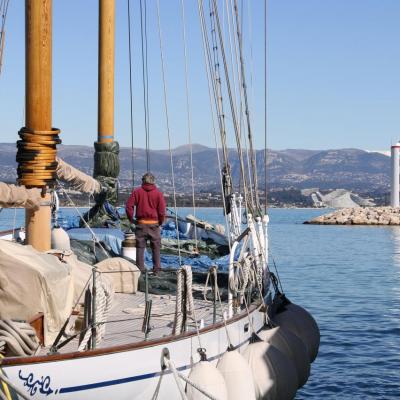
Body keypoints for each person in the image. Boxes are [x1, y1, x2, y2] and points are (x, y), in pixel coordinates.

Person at [125, 173, 166, 274]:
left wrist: (131, 219)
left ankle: (140, 270)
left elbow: (129, 207)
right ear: (153, 181)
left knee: (140, 248)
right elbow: (162, 211)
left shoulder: (137, 192)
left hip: (141, 224)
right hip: (154, 225)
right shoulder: (158, 193)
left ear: (143, 181)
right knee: (156, 248)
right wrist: (160, 222)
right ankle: (157, 270)